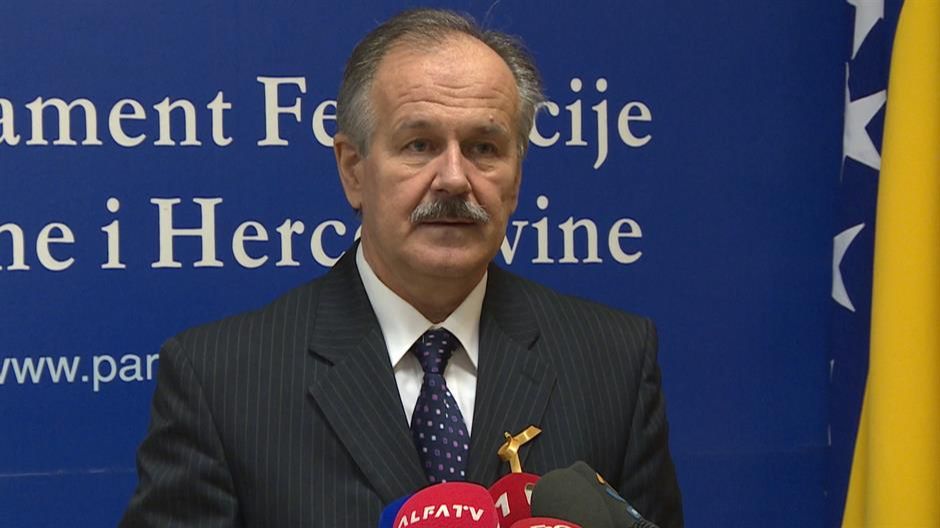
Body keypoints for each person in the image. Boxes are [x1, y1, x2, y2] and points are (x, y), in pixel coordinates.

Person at [121, 8, 682, 527]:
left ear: (516, 178)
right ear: (353, 170)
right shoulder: (221, 381)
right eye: (419, 145)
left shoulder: (614, 361)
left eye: (485, 148)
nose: (455, 178)